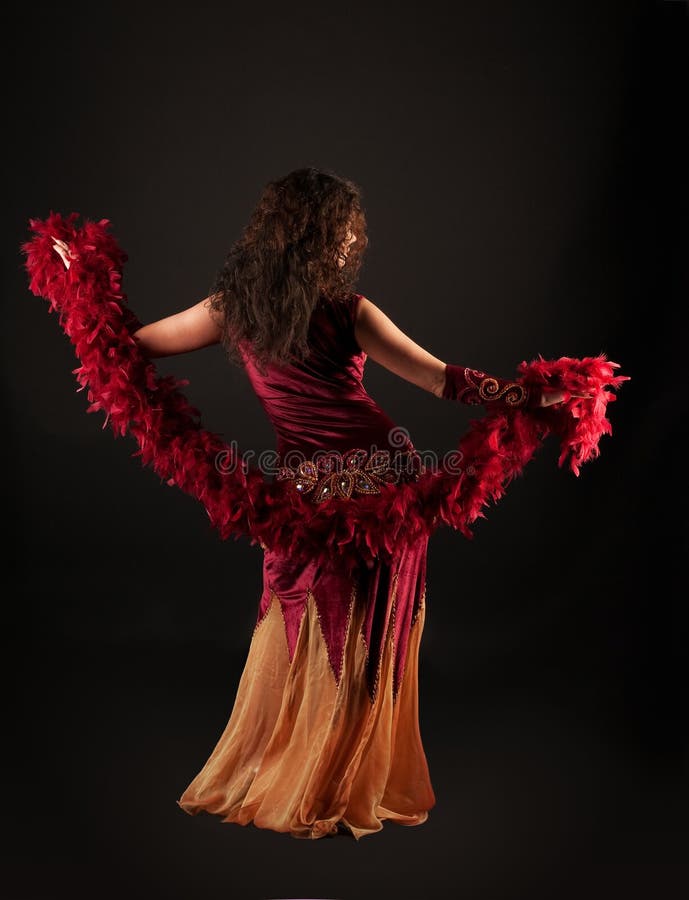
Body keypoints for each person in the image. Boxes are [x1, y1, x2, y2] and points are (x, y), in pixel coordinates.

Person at [44, 167, 609, 842]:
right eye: (343, 229)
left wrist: (80, 286)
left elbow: (126, 350)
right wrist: (524, 396)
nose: (350, 242)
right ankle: (325, 776)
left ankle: (336, 778)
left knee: (349, 624)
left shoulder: (233, 308)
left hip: (353, 488)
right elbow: (440, 381)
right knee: (345, 626)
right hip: (363, 478)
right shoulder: (343, 308)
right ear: (315, 233)